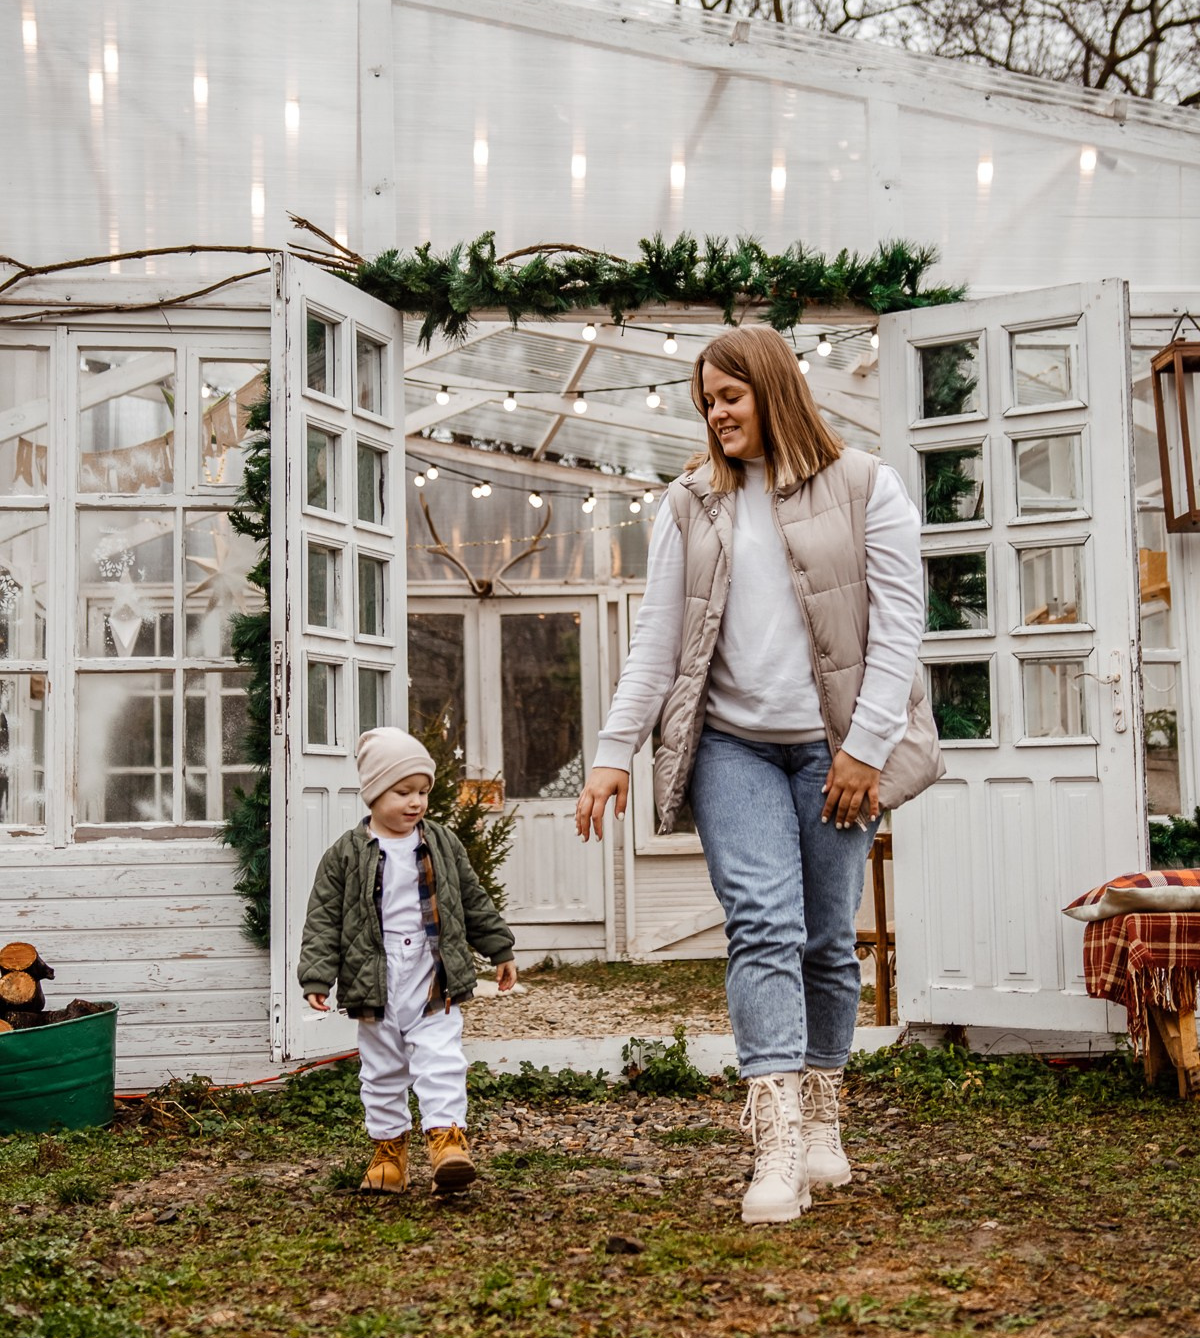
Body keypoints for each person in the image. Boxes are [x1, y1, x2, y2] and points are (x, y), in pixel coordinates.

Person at [576, 327, 942, 1225]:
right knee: (762, 927)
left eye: (728, 396)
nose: (714, 413)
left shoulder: (867, 487)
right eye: (705, 400)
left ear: (771, 388)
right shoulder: (688, 503)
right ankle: (773, 1141)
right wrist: (614, 749)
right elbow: (657, 641)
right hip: (731, 747)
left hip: (835, 747)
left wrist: (864, 748)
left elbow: (899, 626)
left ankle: (823, 1114)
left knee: (825, 937)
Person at [299, 726, 517, 1195]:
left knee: (441, 1058)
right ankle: (389, 1153)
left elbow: (473, 899)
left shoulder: (441, 843)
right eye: (403, 792)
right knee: (381, 1069)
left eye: (422, 792)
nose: (416, 802)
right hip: (374, 979)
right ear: (374, 794)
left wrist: (498, 947)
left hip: (432, 974)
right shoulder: (344, 855)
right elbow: (323, 918)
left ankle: (447, 1142)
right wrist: (317, 975)